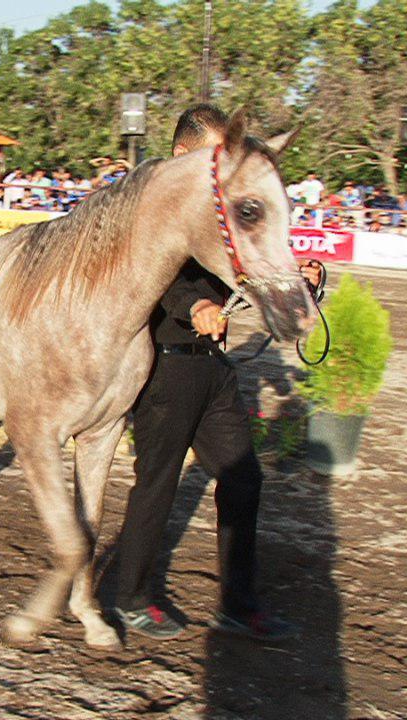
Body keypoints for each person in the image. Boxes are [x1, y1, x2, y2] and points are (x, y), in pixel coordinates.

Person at [113, 103, 319, 642]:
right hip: (167, 364)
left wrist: (295, 282)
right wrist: (191, 308)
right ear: (184, 153)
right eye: (213, 153)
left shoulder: (216, 206)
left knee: (243, 477)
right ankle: (129, 595)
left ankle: (239, 603)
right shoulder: (151, 205)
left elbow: (243, 262)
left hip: (213, 366)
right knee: (156, 484)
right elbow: (153, 278)